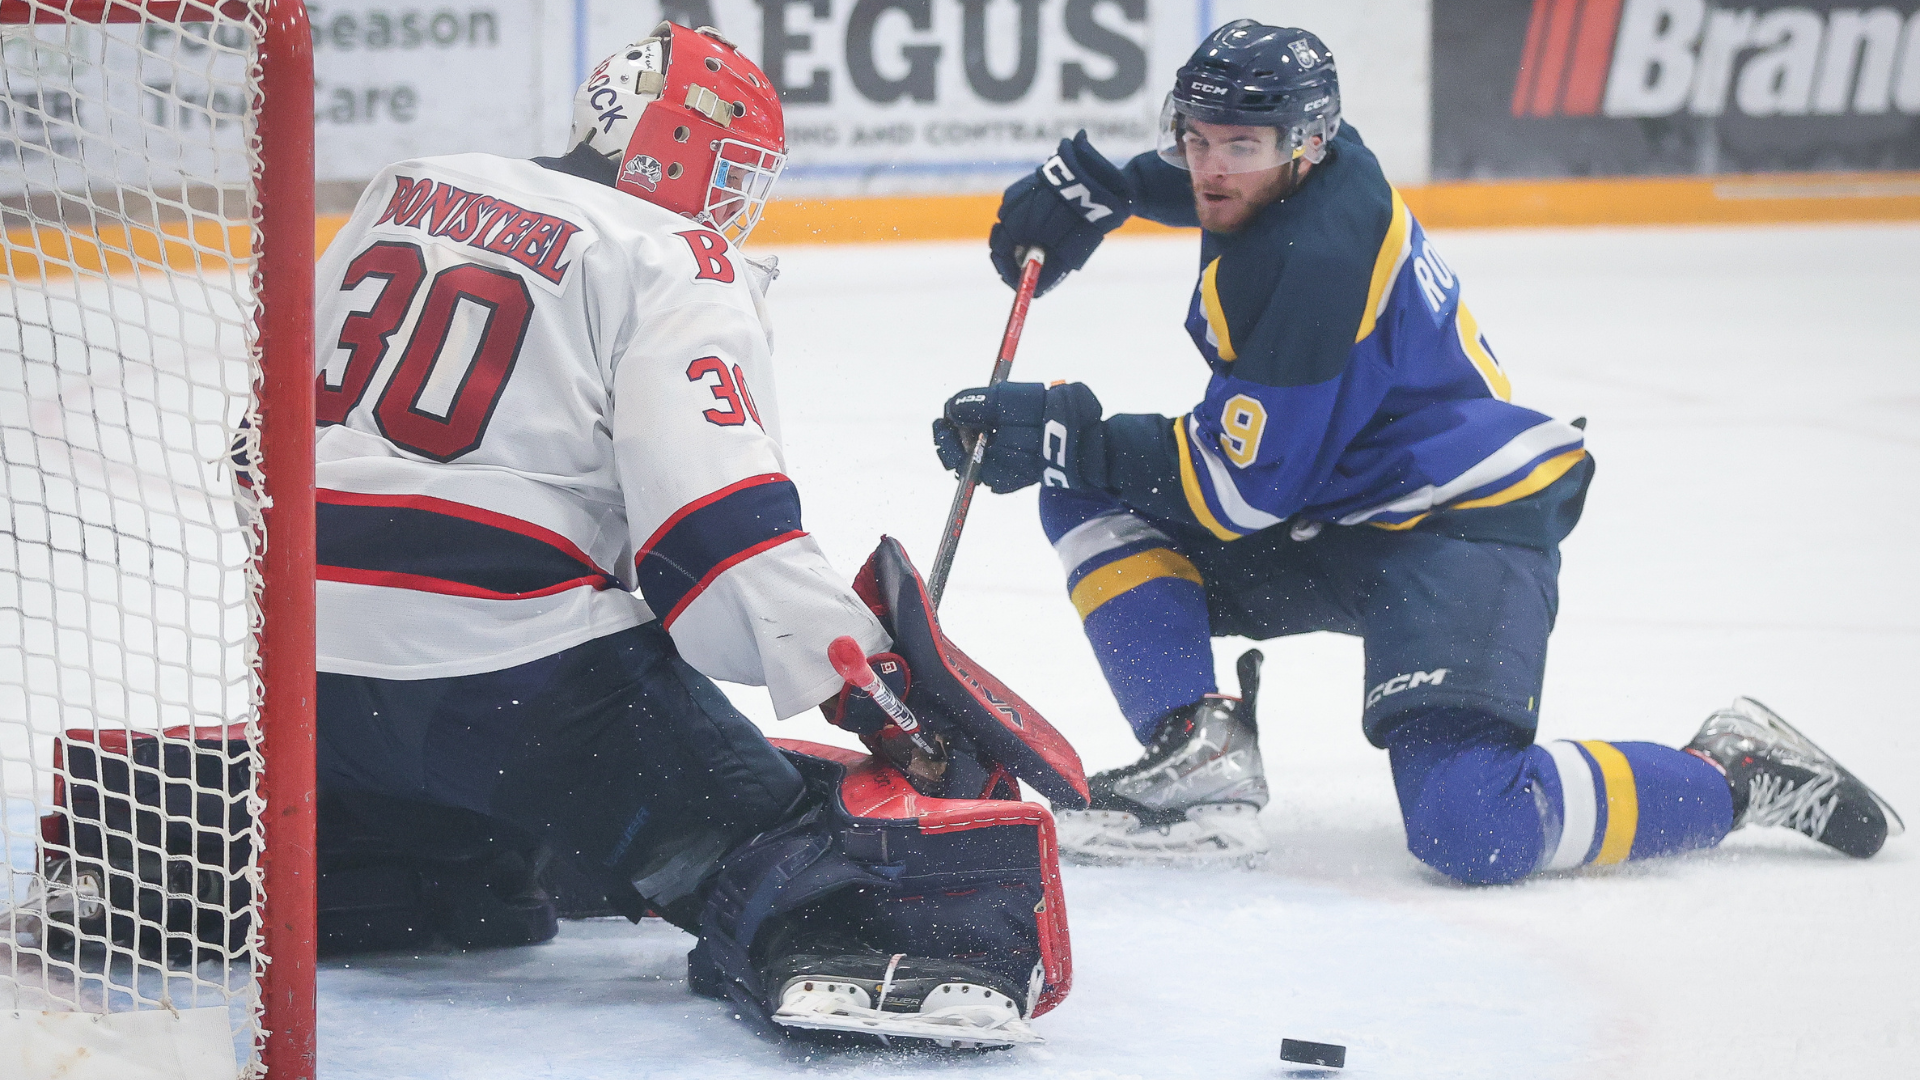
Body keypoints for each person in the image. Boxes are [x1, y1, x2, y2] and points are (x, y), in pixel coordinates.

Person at [932, 21, 1902, 881]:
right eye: (1195, 139)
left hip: (1460, 524)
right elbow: (1225, 185)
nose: (1211, 167)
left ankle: (1729, 771)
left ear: (1302, 147)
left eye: (1241, 145)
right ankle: (1201, 752)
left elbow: (1239, 494)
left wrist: (1069, 432)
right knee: (1088, 490)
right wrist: (1112, 187)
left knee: (1470, 826)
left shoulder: (1314, 267)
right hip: (1351, 500)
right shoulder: (1312, 166)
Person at [310, 23, 1078, 1046]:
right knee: (801, 846)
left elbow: (261, 438)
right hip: (513, 686)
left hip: (307, 680)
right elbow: (715, 541)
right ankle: (847, 936)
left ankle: (388, 855)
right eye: (731, 167)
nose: (733, 199)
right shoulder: (670, 256)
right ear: (668, 143)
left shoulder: (406, 189)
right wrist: (875, 691)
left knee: (456, 798)